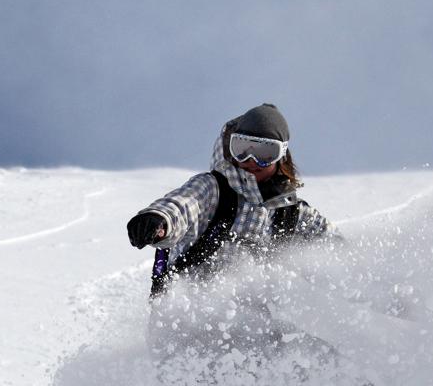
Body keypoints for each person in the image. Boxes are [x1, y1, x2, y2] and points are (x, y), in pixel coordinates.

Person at [126, 103, 334, 295]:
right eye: (242, 148)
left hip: (255, 321)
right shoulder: (214, 189)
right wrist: (159, 219)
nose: (251, 160)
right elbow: (184, 203)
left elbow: (335, 250)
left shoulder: (289, 212)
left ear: (281, 156)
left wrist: (357, 274)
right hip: (188, 316)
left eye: (265, 152)